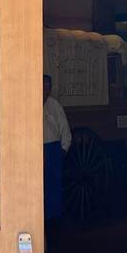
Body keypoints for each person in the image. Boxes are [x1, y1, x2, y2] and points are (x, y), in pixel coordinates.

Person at [43, 74, 71, 221]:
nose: (46, 90)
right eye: (43, 86)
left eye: (48, 86)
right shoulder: (31, 103)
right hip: (37, 149)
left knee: (54, 184)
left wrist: (64, 148)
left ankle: (54, 216)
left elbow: (64, 128)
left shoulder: (54, 105)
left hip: (53, 149)